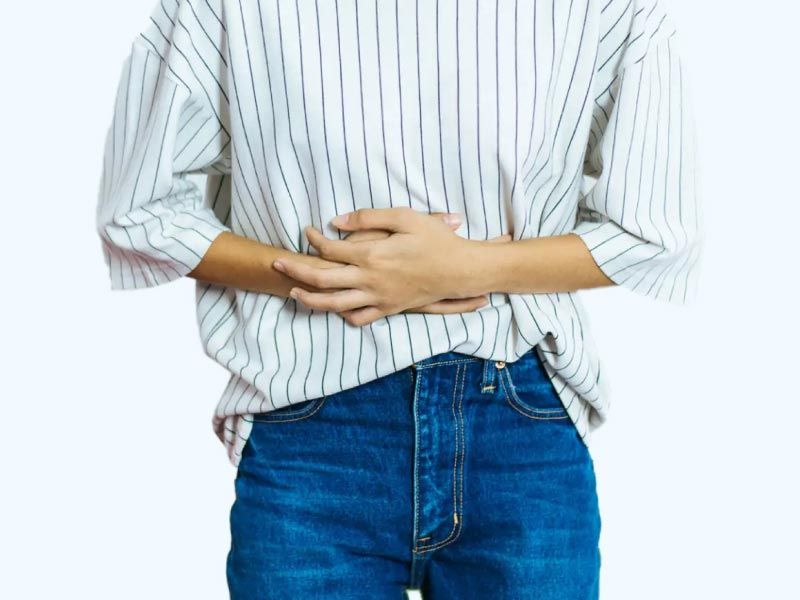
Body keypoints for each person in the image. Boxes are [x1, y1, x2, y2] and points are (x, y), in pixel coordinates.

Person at [95, 0, 702, 597]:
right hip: (310, 420)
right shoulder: (222, 8)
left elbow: (655, 235)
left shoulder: (609, 11)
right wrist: (333, 277)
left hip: (518, 422)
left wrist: (465, 268)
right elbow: (139, 212)